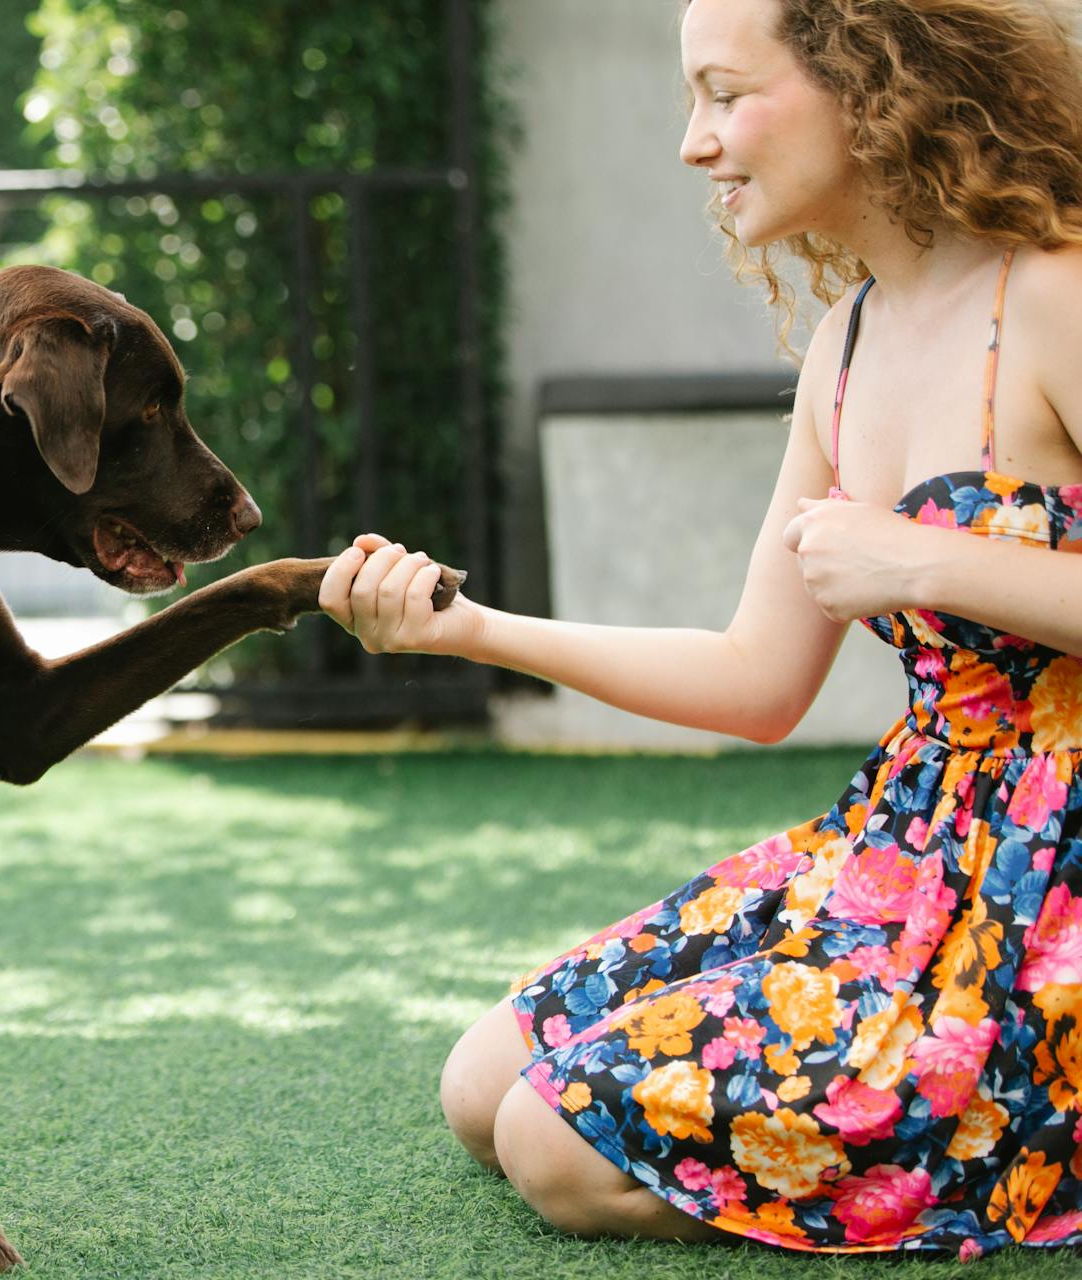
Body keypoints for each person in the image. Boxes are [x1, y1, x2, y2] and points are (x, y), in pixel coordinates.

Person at [319, 0, 1082, 1257]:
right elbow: (755, 679)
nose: (694, 142)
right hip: (909, 847)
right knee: (481, 1085)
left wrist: (928, 556)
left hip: (1042, 893)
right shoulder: (846, 347)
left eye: (725, 94)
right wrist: (473, 631)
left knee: (553, 1148)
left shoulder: (1050, 296)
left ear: (868, 80)